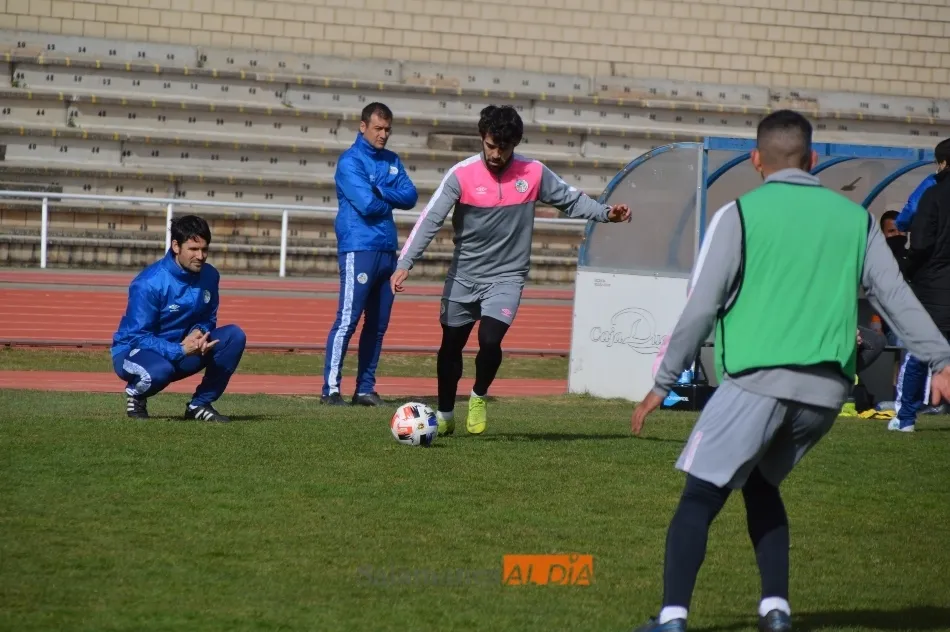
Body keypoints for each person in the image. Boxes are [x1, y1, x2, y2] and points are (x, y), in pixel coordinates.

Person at [627, 110, 950, 632]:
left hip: (758, 381)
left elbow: (700, 308)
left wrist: (659, 386)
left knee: (700, 497)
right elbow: (894, 299)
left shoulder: (739, 215)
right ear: (814, 160)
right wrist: (942, 358)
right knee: (759, 487)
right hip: (825, 394)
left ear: (756, 160)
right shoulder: (856, 219)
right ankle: (775, 610)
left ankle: (671, 618)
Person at [391, 104, 631, 436]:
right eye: (491, 145)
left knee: (490, 339)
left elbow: (571, 199)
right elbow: (430, 219)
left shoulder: (533, 173)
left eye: (504, 148)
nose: (496, 154)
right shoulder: (461, 175)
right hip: (463, 276)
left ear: (514, 144)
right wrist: (405, 263)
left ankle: (477, 396)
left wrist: (607, 213)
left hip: (507, 277)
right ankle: (445, 414)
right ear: (482, 137)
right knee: (451, 346)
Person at [321, 102, 418, 406]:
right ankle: (330, 389)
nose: (383, 134)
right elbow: (366, 204)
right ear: (363, 127)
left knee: (377, 325)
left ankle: (365, 388)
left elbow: (411, 195)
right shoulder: (350, 161)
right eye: (378, 128)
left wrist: (381, 191)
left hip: (387, 251)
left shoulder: (392, 159)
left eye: (387, 129)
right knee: (347, 321)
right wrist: (388, 196)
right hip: (359, 247)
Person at [111, 215, 246, 422]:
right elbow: (137, 336)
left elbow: (209, 316)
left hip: (182, 349)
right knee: (159, 371)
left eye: (204, 249)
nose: (200, 256)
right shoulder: (149, 283)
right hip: (134, 352)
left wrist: (198, 332)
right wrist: (180, 350)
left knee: (234, 336)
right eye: (193, 249)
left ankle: (199, 404)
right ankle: (136, 395)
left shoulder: (210, 276)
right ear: (176, 246)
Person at [889, 143, 950, 431]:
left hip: (934, 285)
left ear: (942, 163)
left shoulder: (933, 193)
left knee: (919, 350)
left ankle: (906, 418)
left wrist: (908, 269)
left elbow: (921, 240)